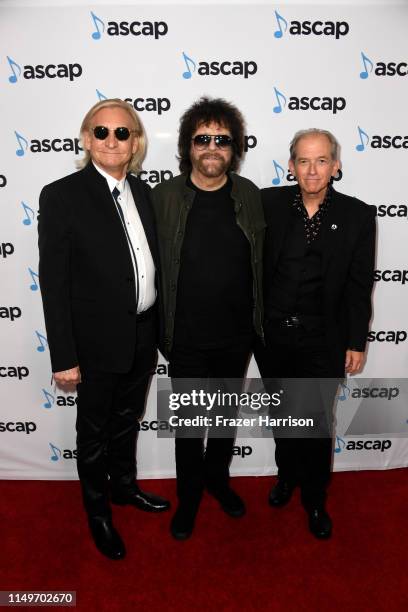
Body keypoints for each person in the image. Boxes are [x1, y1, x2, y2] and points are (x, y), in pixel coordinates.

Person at [38, 99, 170, 560]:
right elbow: (54, 285)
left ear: (136, 142)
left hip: (143, 333)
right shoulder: (61, 196)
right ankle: (98, 513)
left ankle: (124, 488)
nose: (111, 141)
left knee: (126, 421)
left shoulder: (146, 193)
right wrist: (64, 357)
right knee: (92, 434)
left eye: (122, 132)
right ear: (86, 138)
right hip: (93, 343)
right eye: (101, 132)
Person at [151, 96, 265, 539]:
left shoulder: (251, 196)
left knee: (222, 420)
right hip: (184, 337)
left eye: (222, 139)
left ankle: (217, 480)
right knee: (189, 426)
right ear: (187, 146)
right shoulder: (163, 198)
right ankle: (190, 496)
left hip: (237, 336)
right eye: (203, 139)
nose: (212, 147)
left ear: (234, 146)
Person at [256, 128, 376, 539]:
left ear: (335, 166)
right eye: (303, 161)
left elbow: (360, 286)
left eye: (321, 160)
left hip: (324, 339)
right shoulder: (266, 204)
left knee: (318, 421)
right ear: (290, 166)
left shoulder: (358, 215)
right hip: (272, 338)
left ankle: (315, 497)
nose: (312, 169)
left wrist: (355, 341)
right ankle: (286, 477)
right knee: (283, 414)